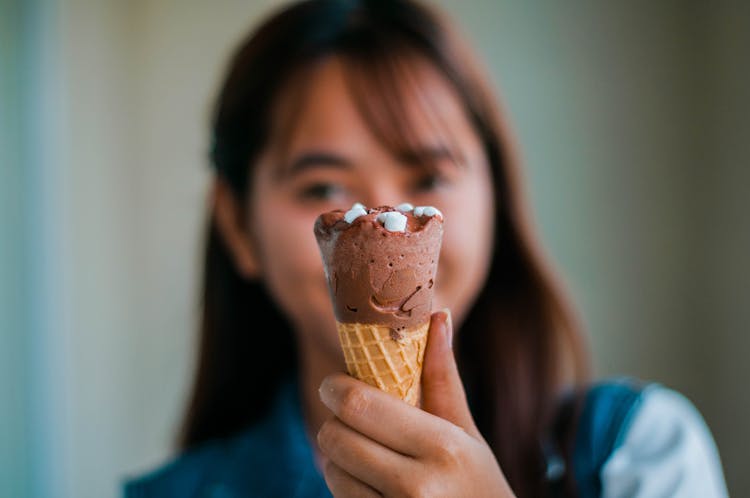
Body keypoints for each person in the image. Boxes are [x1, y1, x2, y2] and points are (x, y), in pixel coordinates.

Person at [123, 0, 728, 496]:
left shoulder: (638, 452)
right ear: (238, 228)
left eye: (430, 176)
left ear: (498, 196)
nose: (386, 221)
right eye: (322, 186)